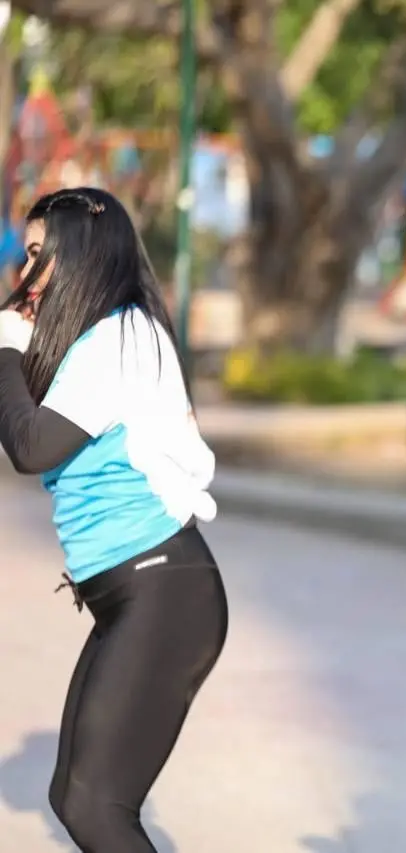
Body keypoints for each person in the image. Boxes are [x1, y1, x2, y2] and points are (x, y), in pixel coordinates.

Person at [0, 186, 227, 852]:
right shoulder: (91, 345)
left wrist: (7, 351)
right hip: (131, 594)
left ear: (83, 255)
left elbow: (30, 445)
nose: (25, 272)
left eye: (40, 254)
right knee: (73, 800)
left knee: (100, 807)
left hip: (163, 589)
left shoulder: (121, 337)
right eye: (25, 253)